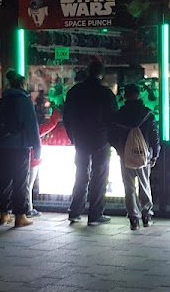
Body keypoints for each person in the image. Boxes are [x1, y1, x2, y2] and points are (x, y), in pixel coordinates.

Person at [63, 59, 118, 225]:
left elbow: (67, 116)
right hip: (100, 139)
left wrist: (73, 137)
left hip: (80, 138)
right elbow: (112, 118)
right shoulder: (105, 93)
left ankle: (75, 211)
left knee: (81, 174)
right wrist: (112, 138)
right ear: (101, 75)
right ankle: (95, 214)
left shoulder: (75, 91)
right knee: (99, 176)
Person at [0, 70, 40, 228]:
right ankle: (20, 216)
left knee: (4, 180)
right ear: (22, 85)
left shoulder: (2, 100)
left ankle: (4, 214)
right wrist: (37, 149)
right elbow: (32, 127)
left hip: (3, 146)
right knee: (20, 181)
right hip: (20, 147)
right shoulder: (24, 101)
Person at [110, 84, 161, 230]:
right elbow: (154, 136)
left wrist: (119, 149)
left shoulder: (119, 115)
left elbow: (111, 135)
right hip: (144, 154)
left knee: (129, 186)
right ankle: (146, 214)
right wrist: (155, 154)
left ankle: (133, 217)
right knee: (144, 183)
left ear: (125, 95)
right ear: (138, 95)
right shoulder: (147, 113)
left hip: (125, 154)